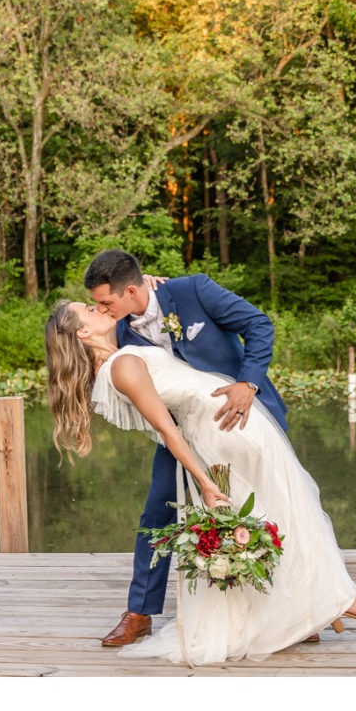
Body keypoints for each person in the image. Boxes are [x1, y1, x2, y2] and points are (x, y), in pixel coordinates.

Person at [45, 299, 356, 664]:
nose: (101, 308)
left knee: (284, 508)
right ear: (83, 332)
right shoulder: (123, 365)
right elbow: (167, 430)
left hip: (229, 423)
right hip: (225, 431)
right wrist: (205, 483)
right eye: (91, 311)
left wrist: (148, 285)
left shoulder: (124, 354)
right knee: (286, 509)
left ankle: (312, 607)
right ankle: (337, 602)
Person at [78, 249, 292, 646]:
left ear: (130, 290)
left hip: (242, 415)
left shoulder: (193, 290)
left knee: (280, 505)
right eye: (98, 304)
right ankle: (139, 612)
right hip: (181, 431)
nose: (101, 310)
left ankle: (297, 609)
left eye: (106, 302)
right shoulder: (116, 328)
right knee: (158, 510)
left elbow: (259, 325)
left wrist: (248, 383)